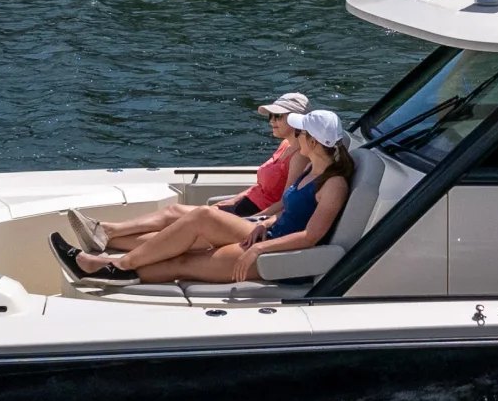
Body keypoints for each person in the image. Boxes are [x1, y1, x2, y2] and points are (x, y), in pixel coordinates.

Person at [56, 110, 353, 285]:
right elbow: (290, 211)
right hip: (269, 234)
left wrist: (260, 249)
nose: (296, 137)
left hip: (280, 253)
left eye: (301, 133)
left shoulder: (333, 184)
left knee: (184, 261)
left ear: (314, 142)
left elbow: (311, 236)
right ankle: (113, 260)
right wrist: (266, 222)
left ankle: (112, 267)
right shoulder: (312, 168)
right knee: (202, 217)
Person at [83, 91, 308, 248]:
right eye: (271, 116)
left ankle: (108, 235)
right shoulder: (285, 144)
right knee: (174, 215)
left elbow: (285, 201)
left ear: (296, 119)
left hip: (255, 213)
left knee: (176, 226)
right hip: (245, 204)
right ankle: (108, 232)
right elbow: (261, 186)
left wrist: (255, 219)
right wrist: (233, 200)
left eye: (278, 116)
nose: (271, 121)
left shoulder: (299, 155)